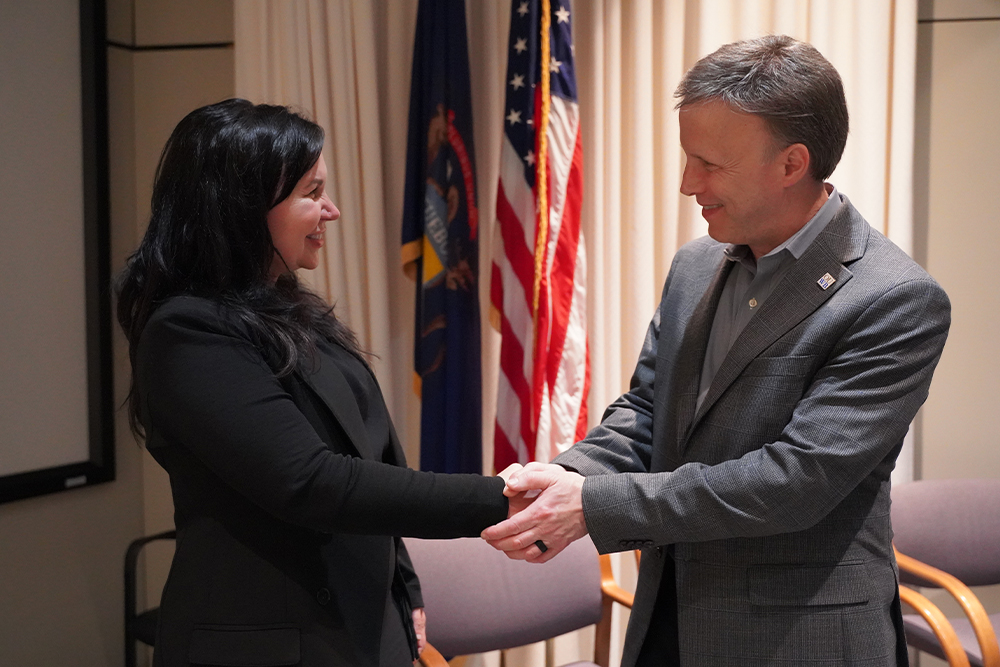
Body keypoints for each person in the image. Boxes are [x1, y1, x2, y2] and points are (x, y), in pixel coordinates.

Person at [484, 35, 951, 666]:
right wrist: (573, 474)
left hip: (796, 643)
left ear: (791, 163)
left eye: (710, 164)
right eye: (686, 158)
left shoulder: (895, 298)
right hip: (668, 621)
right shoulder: (696, 265)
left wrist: (595, 506)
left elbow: (795, 481)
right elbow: (650, 410)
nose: (686, 183)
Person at [116, 99, 519, 667]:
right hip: (266, 643)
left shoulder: (290, 308)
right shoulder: (188, 329)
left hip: (358, 628)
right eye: (311, 192)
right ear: (241, 207)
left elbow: (375, 455)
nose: (330, 211)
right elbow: (311, 481)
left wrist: (405, 588)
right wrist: (504, 498)